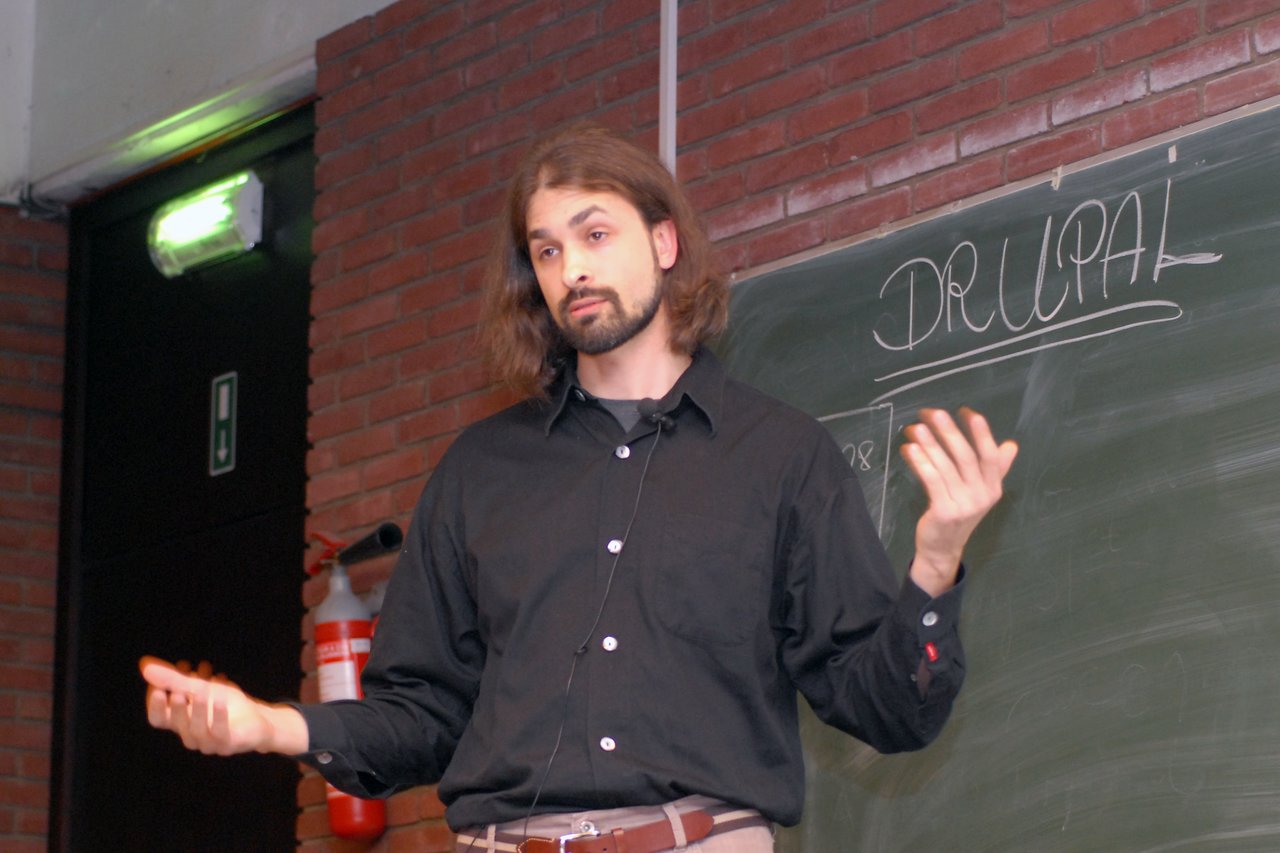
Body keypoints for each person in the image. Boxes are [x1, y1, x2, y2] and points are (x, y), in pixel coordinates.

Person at [142, 121, 1018, 853]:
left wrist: (934, 563)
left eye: (596, 235)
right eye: (548, 249)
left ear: (664, 241)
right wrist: (268, 726)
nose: (572, 271)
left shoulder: (781, 456)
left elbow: (887, 709)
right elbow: (420, 717)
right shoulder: (479, 472)